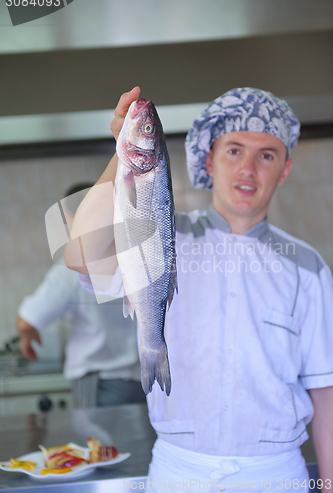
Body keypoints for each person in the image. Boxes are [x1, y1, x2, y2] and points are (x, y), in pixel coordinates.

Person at [66, 87, 333, 490]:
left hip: (276, 476)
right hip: (178, 473)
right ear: (209, 158)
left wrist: (329, 484)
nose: (248, 169)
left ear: (285, 169)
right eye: (233, 150)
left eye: (266, 155)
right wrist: (124, 149)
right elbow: (79, 254)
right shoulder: (160, 233)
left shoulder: (308, 266)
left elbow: (325, 391)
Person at [17, 183, 146, 408]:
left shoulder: (73, 268)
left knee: (98, 445)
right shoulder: (136, 256)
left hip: (99, 385)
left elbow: (28, 320)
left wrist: (26, 336)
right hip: (141, 381)